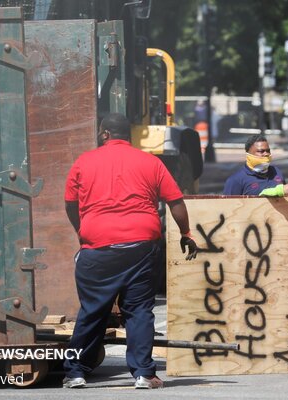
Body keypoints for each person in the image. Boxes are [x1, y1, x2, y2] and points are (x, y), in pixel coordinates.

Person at [62, 113, 198, 389]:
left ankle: (76, 371)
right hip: (141, 247)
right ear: (129, 136)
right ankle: (144, 374)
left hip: (97, 248)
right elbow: (176, 202)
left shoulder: (84, 162)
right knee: (138, 310)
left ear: (104, 134)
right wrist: (185, 233)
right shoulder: (151, 162)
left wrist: (83, 231)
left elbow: (70, 204)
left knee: (92, 310)